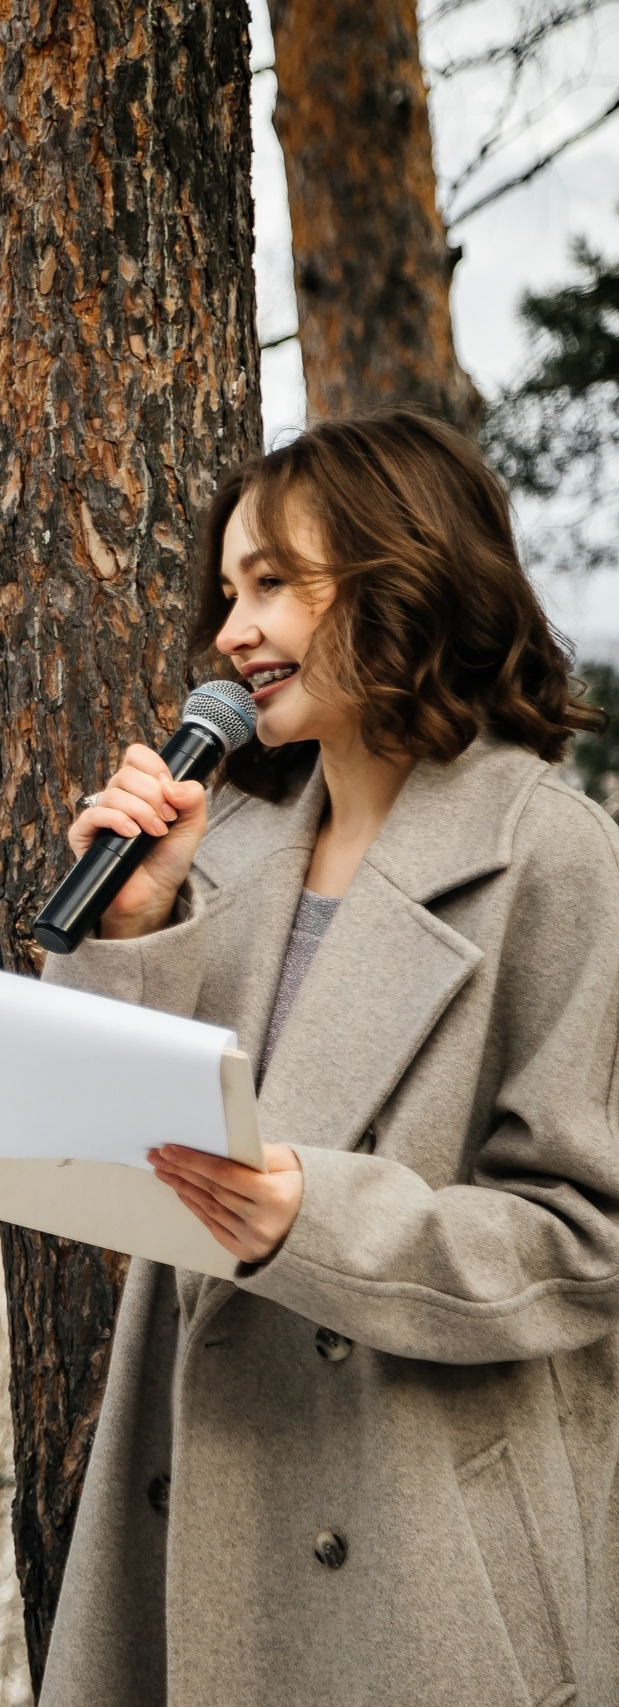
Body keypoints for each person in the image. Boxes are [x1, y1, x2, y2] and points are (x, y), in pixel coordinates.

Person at [39, 408, 619, 1706]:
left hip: (417, 1550)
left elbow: (589, 1243)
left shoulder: (556, 857)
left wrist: (321, 1221)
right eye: (228, 592)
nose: (230, 633)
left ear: (403, 579)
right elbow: (115, 1158)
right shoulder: (228, 848)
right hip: (193, 1501)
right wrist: (132, 931)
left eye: (274, 585)